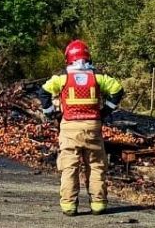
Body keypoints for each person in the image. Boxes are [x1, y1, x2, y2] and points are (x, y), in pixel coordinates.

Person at [38, 39, 125, 215]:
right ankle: (98, 203)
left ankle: (69, 206)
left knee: (69, 166)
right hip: (93, 126)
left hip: (69, 126)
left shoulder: (63, 78)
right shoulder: (97, 78)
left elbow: (44, 91)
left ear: (68, 59)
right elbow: (118, 90)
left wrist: (50, 113)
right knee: (96, 165)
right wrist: (105, 111)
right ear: (88, 58)